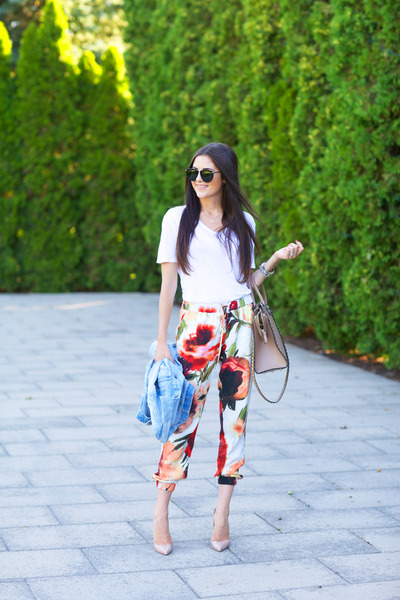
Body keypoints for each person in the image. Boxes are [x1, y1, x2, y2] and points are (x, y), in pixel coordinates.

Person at [152, 142, 304, 555]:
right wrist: (162, 340)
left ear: (225, 177)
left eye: (207, 174)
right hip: (196, 326)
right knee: (183, 417)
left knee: (235, 420)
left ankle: (222, 514)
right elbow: (169, 284)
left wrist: (274, 260)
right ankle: (161, 512)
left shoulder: (244, 222)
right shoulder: (176, 219)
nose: (198, 180)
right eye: (193, 173)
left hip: (240, 322)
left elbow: (246, 283)